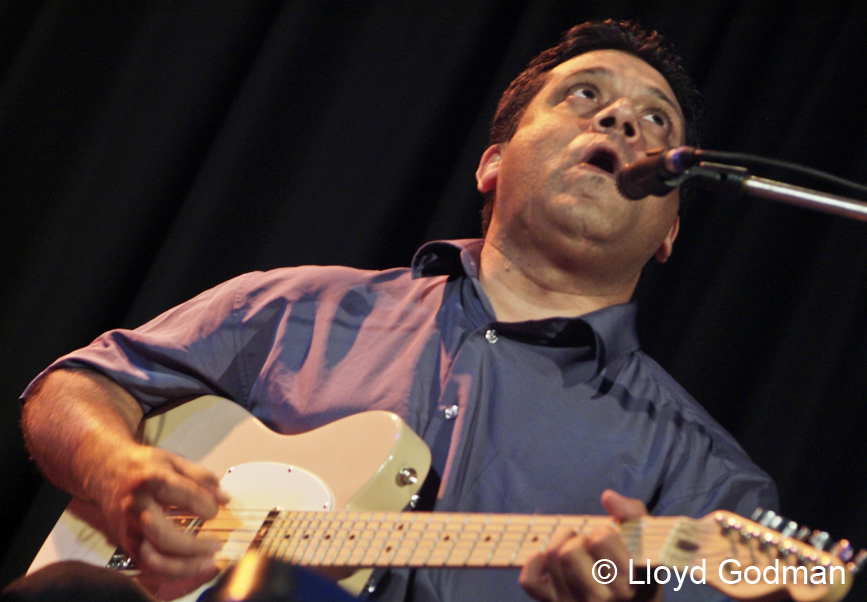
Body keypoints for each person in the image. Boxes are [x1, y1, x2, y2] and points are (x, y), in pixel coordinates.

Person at [18, 19, 777, 602]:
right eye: (586, 97)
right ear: (492, 161)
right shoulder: (299, 305)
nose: (621, 123)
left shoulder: (706, 480)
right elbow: (74, 388)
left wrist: (608, 575)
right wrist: (119, 474)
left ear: (672, 228)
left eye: (657, 123)